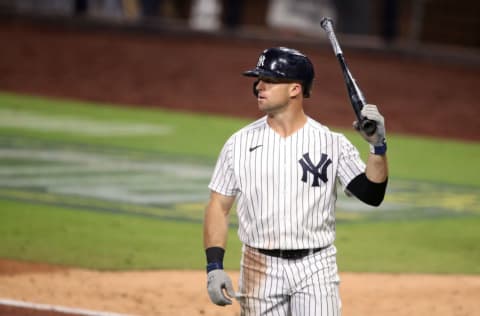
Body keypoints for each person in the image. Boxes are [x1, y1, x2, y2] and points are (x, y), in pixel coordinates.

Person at [203, 47, 388, 315]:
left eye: (269, 80)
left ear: (294, 89)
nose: (259, 87)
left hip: (316, 267)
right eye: (258, 80)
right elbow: (218, 205)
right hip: (259, 266)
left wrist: (378, 148)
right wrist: (214, 267)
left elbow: (372, 194)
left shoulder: (332, 143)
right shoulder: (238, 144)